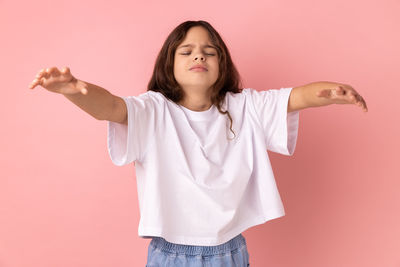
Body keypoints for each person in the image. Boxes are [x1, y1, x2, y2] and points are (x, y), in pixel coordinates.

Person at [29, 20, 368, 267]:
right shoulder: (154, 110)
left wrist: (331, 92)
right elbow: (113, 108)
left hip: (230, 251)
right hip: (171, 254)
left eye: (210, 52)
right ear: (169, 64)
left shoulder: (244, 107)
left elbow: (295, 97)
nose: (199, 57)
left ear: (222, 64)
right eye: (187, 51)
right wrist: (73, 90)